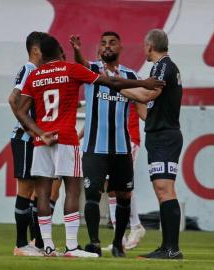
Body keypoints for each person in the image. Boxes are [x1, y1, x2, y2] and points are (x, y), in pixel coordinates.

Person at [16, 34, 164, 257]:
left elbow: (19, 109)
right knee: (73, 190)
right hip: (66, 137)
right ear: (58, 51)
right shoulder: (70, 70)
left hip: (42, 140)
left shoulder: (35, 75)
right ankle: (72, 247)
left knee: (43, 194)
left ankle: (45, 246)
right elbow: (111, 82)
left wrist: (39, 133)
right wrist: (144, 83)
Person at [70, 32, 147, 257]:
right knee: (93, 194)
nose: (107, 46)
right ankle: (94, 243)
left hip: (122, 148)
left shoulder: (130, 75)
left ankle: (117, 244)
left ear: (120, 48)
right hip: (94, 148)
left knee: (123, 196)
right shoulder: (92, 70)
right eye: (103, 43)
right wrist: (76, 50)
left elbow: (143, 104)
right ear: (98, 49)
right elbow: (81, 62)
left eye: (112, 43)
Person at [137, 29, 184, 259]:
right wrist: (132, 96)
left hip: (165, 137)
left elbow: (147, 96)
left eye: (144, 45)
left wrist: (115, 85)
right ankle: (166, 246)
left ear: (150, 45)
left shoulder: (163, 66)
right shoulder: (159, 68)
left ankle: (172, 249)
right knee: (161, 190)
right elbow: (148, 112)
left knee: (165, 190)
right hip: (158, 135)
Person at [8, 31, 50, 257]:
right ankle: (20, 244)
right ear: (36, 50)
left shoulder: (36, 72)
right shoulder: (29, 69)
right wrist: (28, 128)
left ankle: (35, 243)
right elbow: (12, 99)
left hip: (31, 139)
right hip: (24, 139)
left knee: (34, 191)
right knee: (25, 190)